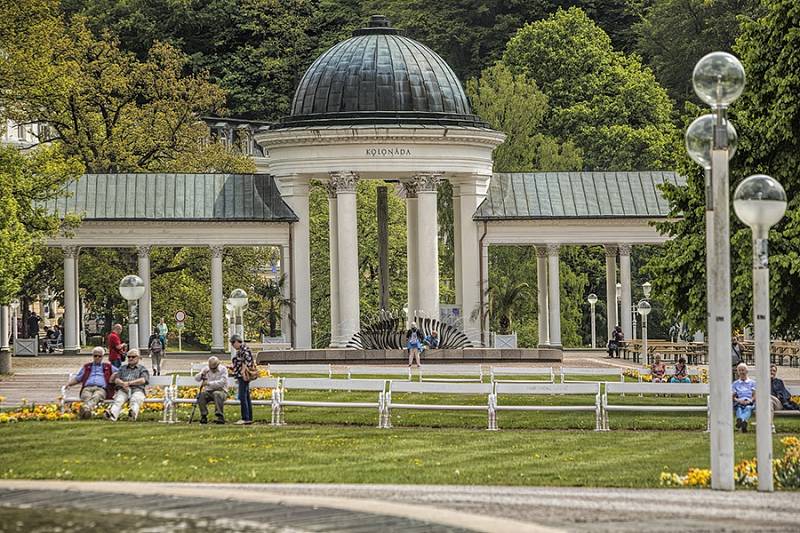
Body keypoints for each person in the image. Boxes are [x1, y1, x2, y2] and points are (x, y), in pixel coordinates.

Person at [66, 347, 115, 419]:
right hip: (87, 388)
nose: (97, 357)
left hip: (101, 389)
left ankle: (85, 409)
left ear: (102, 357)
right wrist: (68, 384)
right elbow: (78, 378)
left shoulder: (108, 366)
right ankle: (87, 411)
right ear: (93, 356)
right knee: (86, 396)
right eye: (95, 356)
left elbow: (119, 373)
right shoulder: (87, 366)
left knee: (97, 396)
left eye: (99, 356)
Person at [105, 349, 149, 421]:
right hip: (123, 389)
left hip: (137, 389)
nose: (130, 358)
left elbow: (143, 380)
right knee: (119, 400)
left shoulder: (142, 369)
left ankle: (132, 414)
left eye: (133, 357)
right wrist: (122, 384)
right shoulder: (122, 368)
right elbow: (116, 379)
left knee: (136, 399)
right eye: (129, 357)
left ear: (138, 358)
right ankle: (112, 415)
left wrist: (129, 383)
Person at [195, 356, 229, 424]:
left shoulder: (223, 369)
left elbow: (222, 383)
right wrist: (202, 374)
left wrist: (208, 383)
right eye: (211, 368)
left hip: (221, 391)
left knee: (216, 394)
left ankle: (220, 416)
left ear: (218, 365)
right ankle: (203, 416)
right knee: (201, 395)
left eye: (214, 368)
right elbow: (196, 379)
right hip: (209, 392)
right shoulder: (206, 369)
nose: (212, 370)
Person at [229, 334, 255, 425]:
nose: (232, 345)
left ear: (237, 341)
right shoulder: (243, 349)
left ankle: (245, 418)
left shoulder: (243, 350)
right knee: (246, 396)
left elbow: (246, 362)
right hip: (242, 375)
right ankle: (249, 417)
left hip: (242, 376)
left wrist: (243, 373)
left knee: (242, 397)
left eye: (233, 343)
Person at [732, 362, 756, 433]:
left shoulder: (752, 383)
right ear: (738, 372)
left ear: (747, 371)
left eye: (743, 370)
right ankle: (743, 423)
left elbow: (755, 395)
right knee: (739, 409)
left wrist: (750, 400)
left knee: (748, 408)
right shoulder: (735, 384)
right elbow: (732, 396)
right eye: (740, 370)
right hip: (739, 402)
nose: (742, 372)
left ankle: (740, 421)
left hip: (749, 401)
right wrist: (738, 400)